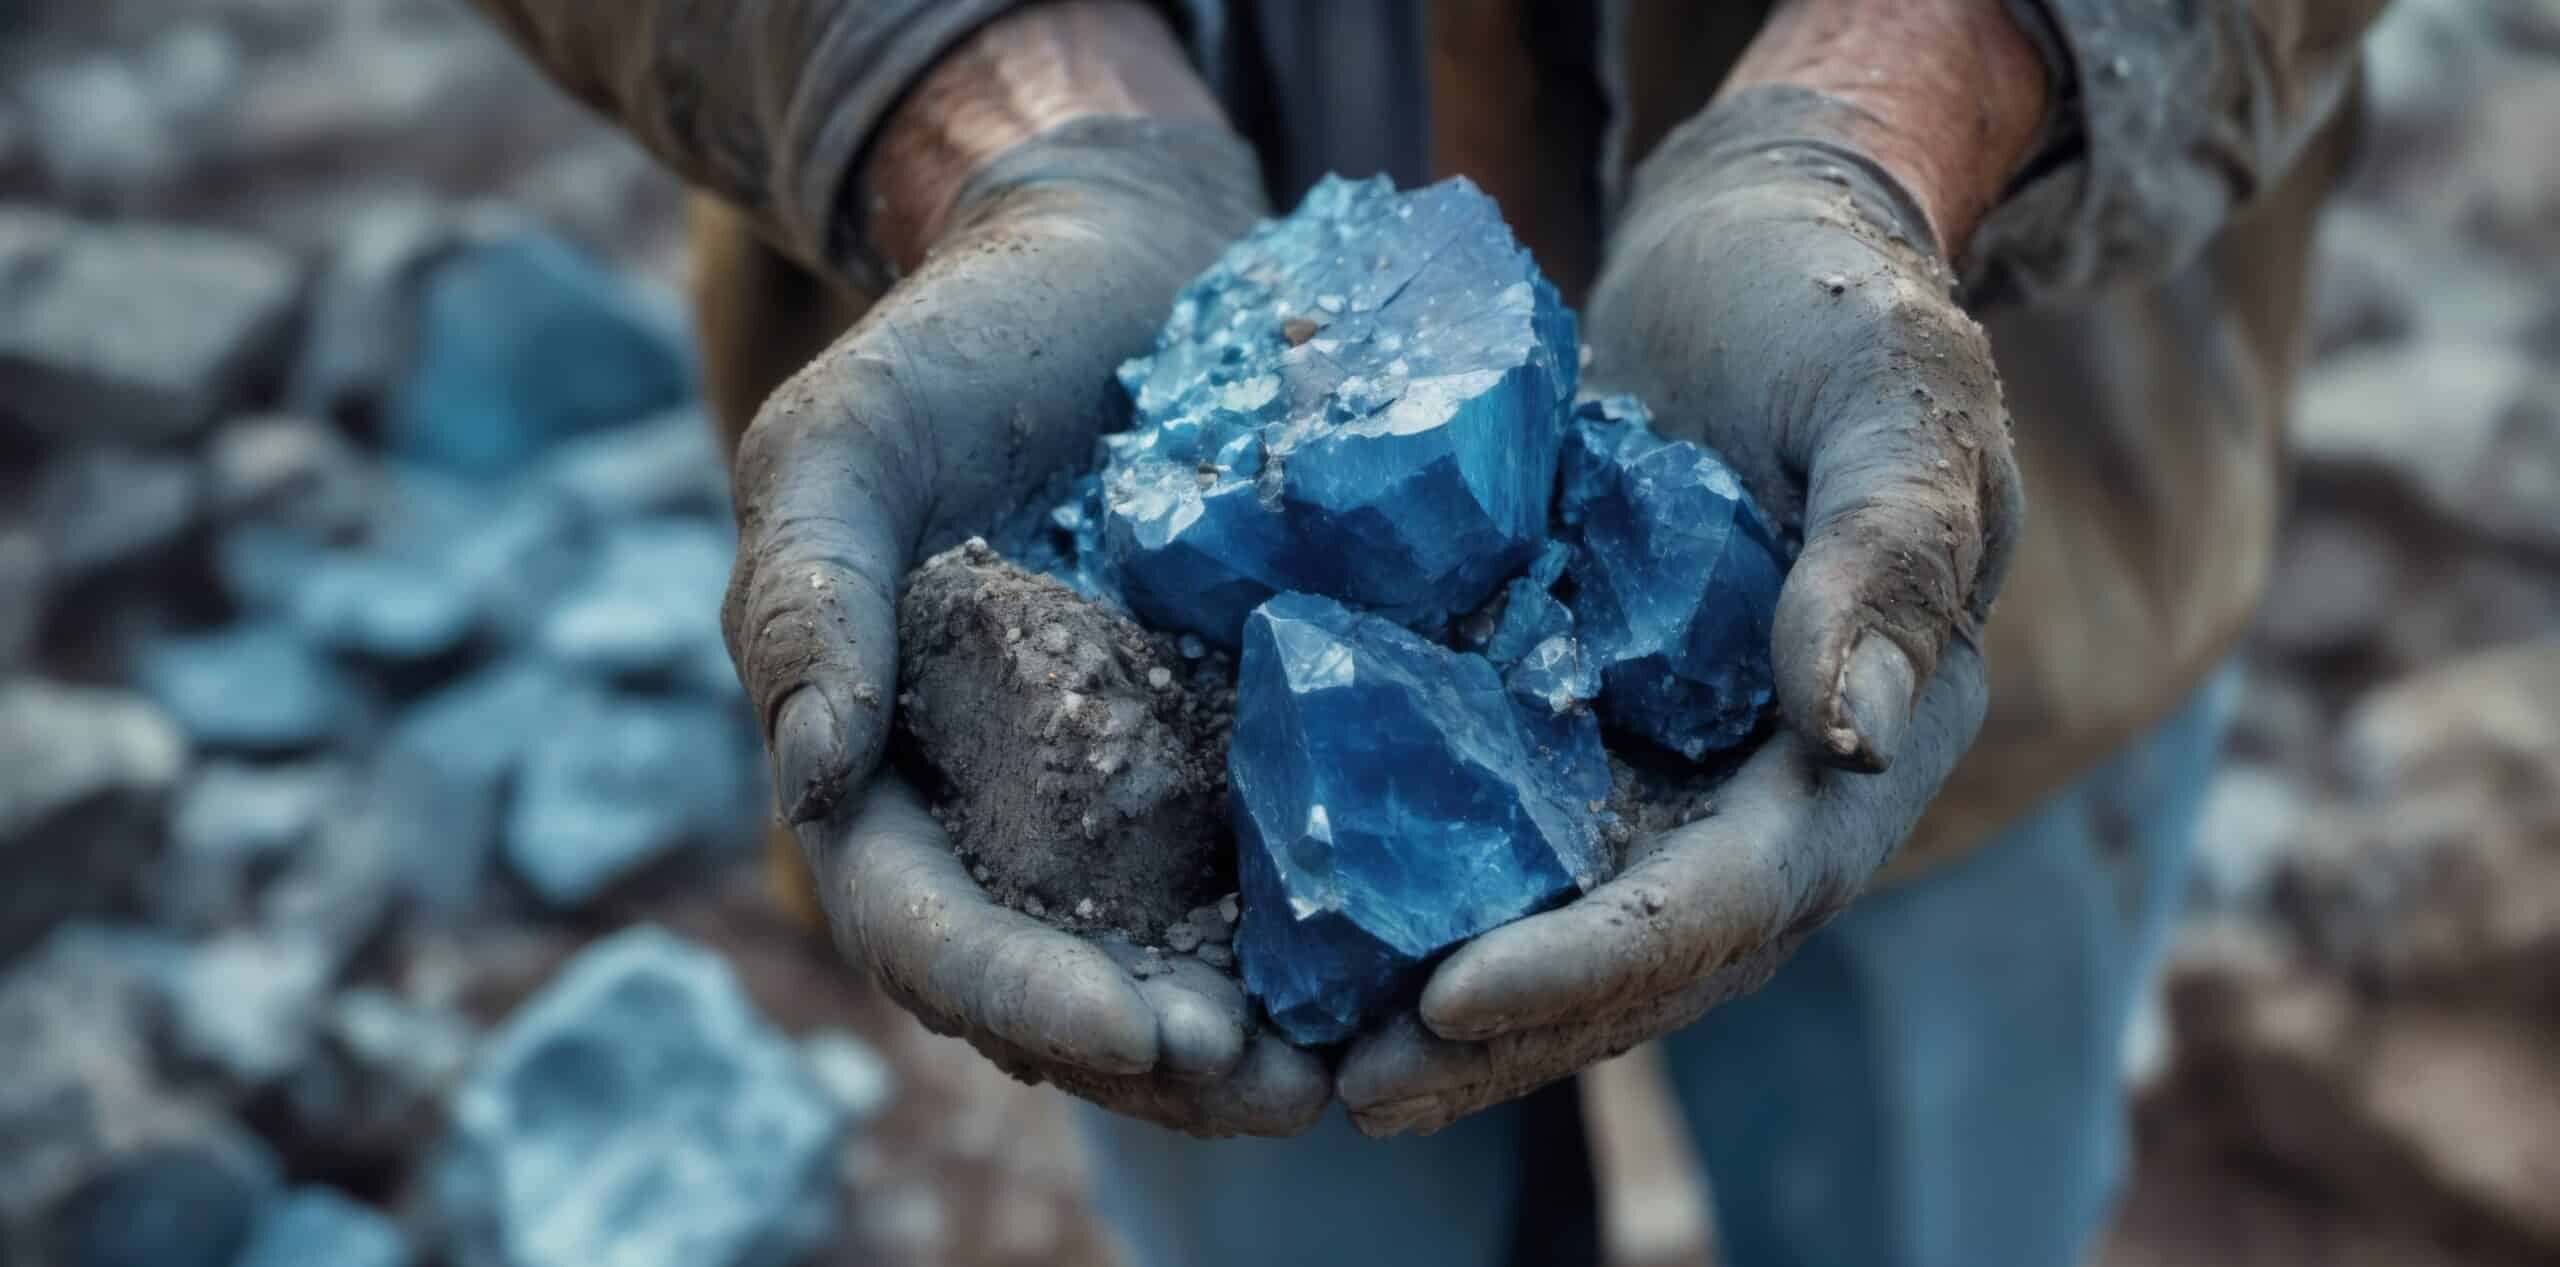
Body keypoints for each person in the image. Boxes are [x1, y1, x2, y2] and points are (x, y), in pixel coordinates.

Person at [468, 1, 2386, 1262]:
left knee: (1933, 1196)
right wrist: (963, 102)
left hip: (1979, 462)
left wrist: (1898, 111)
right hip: (1049, 332)